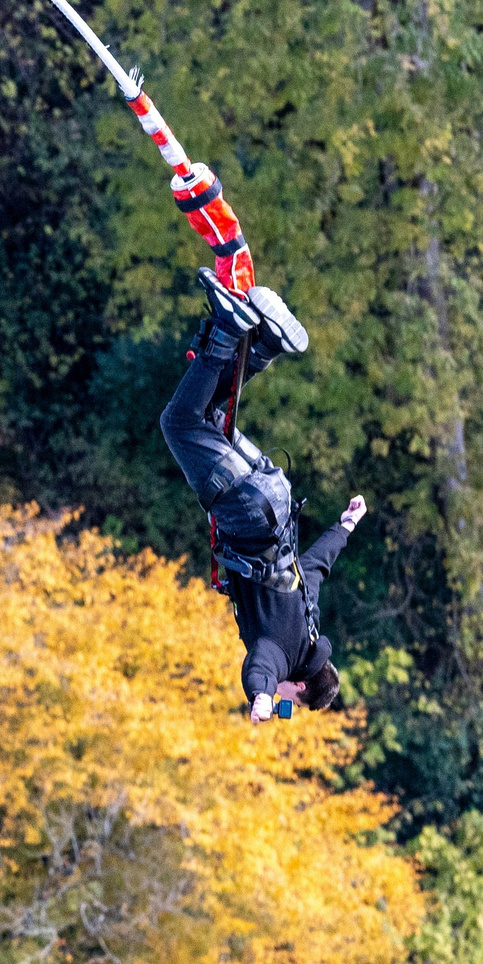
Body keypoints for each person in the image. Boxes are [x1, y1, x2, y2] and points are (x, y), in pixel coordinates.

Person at [159, 271, 370, 724]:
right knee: (179, 424)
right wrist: (261, 697)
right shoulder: (281, 653)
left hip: (275, 494)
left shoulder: (308, 622)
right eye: (291, 699)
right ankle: (230, 328)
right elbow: (261, 667)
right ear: (300, 685)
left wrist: (347, 524)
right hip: (246, 509)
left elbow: (318, 564)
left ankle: (265, 344)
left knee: (211, 416)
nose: (284, 696)